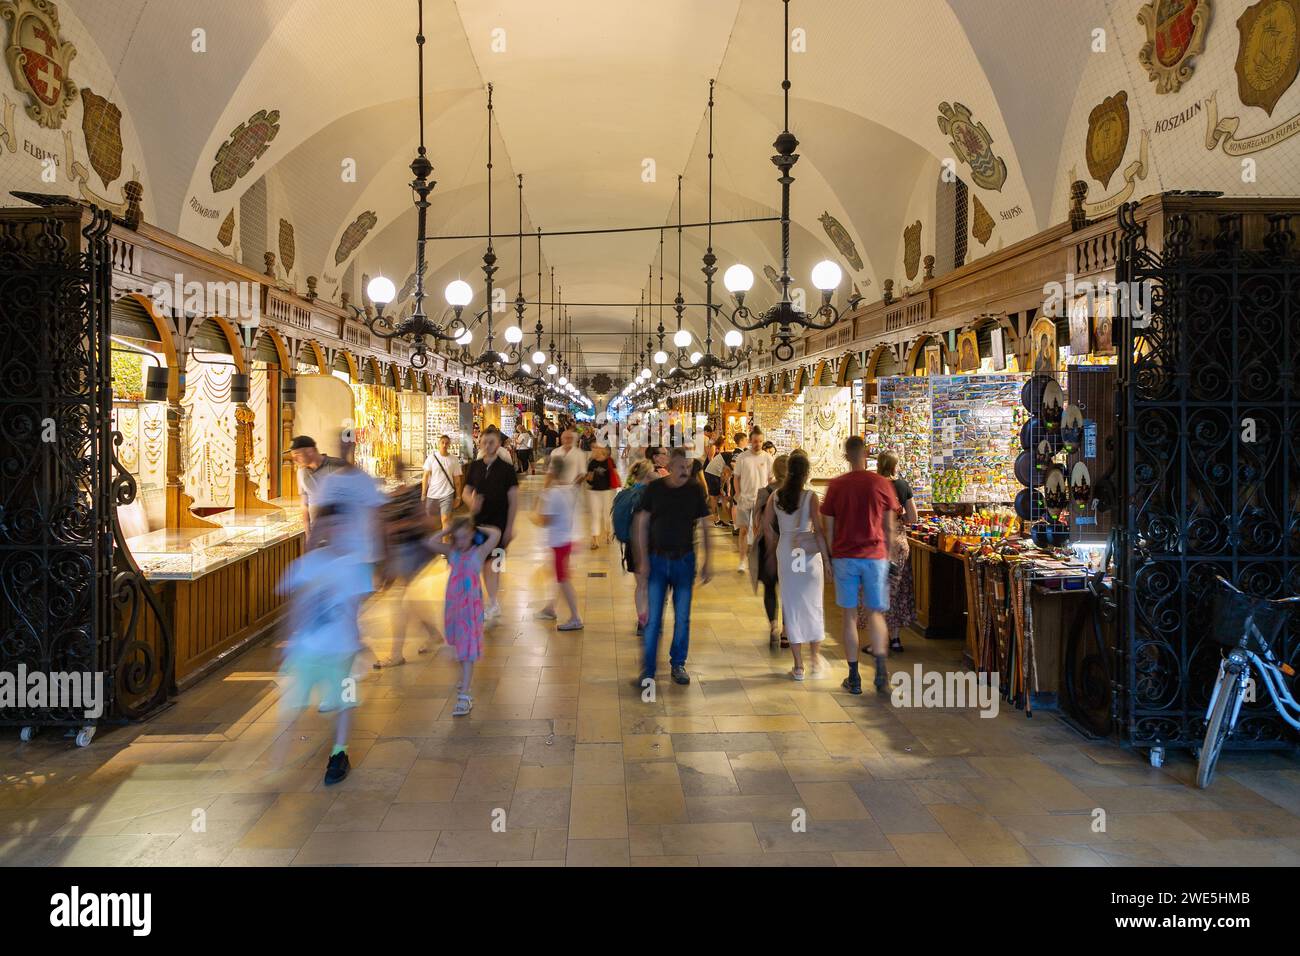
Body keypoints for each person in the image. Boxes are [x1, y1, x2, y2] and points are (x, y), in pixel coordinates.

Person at [277, 501, 372, 785]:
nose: (334, 530)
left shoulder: (355, 566)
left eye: (340, 525)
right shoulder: (306, 565)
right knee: (293, 705)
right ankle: (277, 764)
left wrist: (358, 643)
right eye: (328, 525)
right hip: (308, 648)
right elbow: (295, 606)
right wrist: (286, 642)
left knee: (345, 702)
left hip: (342, 650)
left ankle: (339, 754)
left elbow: (355, 608)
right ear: (319, 529)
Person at [821, 435, 898, 694]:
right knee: (876, 613)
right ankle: (880, 671)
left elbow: (828, 527)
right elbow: (888, 525)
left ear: (846, 456)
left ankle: (853, 677)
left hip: (845, 555)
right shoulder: (881, 483)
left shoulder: (836, 485)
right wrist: (888, 555)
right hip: (875, 555)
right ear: (866, 454)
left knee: (849, 616)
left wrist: (830, 557)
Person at [633, 447, 713, 687]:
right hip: (657, 560)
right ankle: (648, 670)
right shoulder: (655, 489)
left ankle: (678, 663)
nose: (685, 472)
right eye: (681, 467)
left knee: (682, 616)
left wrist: (710, 559)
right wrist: (642, 559)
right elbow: (640, 522)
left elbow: (705, 525)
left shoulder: (694, 490)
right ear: (670, 465)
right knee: (654, 618)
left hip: (684, 560)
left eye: (688, 468)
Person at [764, 451, 831, 680]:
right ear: (806, 473)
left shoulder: (776, 496)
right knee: (813, 605)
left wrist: (772, 551)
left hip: (787, 550)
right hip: (806, 552)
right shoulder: (810, 497)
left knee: (791, 606)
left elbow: (765, 526)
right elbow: (820, 531)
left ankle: (798, 666)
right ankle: (814, 659)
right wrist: (827, 560)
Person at [425, 517, 501, 716]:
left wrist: (477, 527)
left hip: (470, 612)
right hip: (454, 609)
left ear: (472, 536)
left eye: (465, 537)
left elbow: (496, 534)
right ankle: (464, 683)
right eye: (457, 538)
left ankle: (464, 696)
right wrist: (447, 530)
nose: (461, 542)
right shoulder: (452, 553)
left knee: (467, 652)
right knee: (460, 649)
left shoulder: (479, 553)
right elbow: (430, 542)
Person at [462, 425, 519, 624]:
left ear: (498, 444)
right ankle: (489, 602)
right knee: (480, 563)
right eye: (485, 442)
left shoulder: (507, 469)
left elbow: (513, 499)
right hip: (479, 524)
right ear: (480, 444)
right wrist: (471, 502)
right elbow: (465, 491)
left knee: (493, 565)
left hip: (500, 525)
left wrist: (510, 527)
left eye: (492, 442)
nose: (488, 445)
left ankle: (493, 602)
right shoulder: (475, 467)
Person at [871, 451, 918, 653]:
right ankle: (896, 638)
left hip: (877, 544)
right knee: (897, 591)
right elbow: (913, 517)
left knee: (878, 591)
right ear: (893, 466)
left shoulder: (873, 486)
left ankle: (879, 641)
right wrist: (901, 515)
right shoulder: (902, 485)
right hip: (899, 543)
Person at [534, 455, 584, 630]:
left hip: (559, 542)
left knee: (563, 579)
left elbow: (544, 520)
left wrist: (535, 515)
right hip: (565, 540)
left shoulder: (554, 493)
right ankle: (550, 608)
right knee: (558, 576)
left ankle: (575, 617)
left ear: (552, 471)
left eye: (547, 470)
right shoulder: (569, 489)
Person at [614, 459, 656, 635]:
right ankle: (652, 620)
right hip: (652, 545)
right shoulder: (652, 496)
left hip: (632, 546)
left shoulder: (626, 493)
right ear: (648, 474)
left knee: (640, 585)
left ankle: (642, 620)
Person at [754, 454, 787, 647]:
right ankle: (786, 631)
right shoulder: (797, 492)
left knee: (769, 588)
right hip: (790, 546)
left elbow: (758, 521)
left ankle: (774, 625)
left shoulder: (765, 491)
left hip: (767, 545)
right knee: (789, 590)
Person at [287, 435, 346, 541]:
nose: (294, 459)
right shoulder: (301, 472)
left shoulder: (338, 466)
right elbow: (304, 503)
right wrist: (308, 533)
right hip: (318, 535)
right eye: (292, 456)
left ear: (310, 451)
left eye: (297, 454)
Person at [732, 427, 773, 575]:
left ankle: (755, 560)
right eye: (755, 441)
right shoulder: (743, 457)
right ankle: (742, 561)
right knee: (743, 530)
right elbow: (736, 477)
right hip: (745, 499)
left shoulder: (768, 458)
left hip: (760, 500)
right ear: (750, 441)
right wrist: (738, 494)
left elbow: (770, 479)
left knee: (758, 531)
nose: (758, 444)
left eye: (760, 441)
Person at [421, 433, 462, 530]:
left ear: (449, 445)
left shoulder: (454, 459)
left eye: (446, 443)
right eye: (442, 442)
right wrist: (423, 494)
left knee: (445, 519)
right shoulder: (431, 458)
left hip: (447, 494)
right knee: (431, 521)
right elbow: (425, 476)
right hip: (432, 494)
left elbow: (457, 480)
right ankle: (438, 540)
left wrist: (458, 496)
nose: (444, 445)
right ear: (438, 444)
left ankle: (446, 542)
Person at [584, 444, 619, 549]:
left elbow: (615, 475)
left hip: (607, 491)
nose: (594, 450)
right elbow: (589, 479)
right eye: (593, 448)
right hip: (594, 491)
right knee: (595, 515)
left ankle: (608, 533)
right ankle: (595, 540)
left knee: (607, 515)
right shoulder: (592, 462)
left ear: (602, 449)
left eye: (596, 448)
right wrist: (586, 476)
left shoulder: (609, 461)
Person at [703, 435, 729, 527]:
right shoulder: (714, 447)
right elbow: (711, 459)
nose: (726, 442)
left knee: (717, 494)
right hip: (712, 470)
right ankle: (715, 519)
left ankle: (719, 517)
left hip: (716, 471)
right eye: (725, 440)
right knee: (714, 495)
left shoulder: (722, 448)